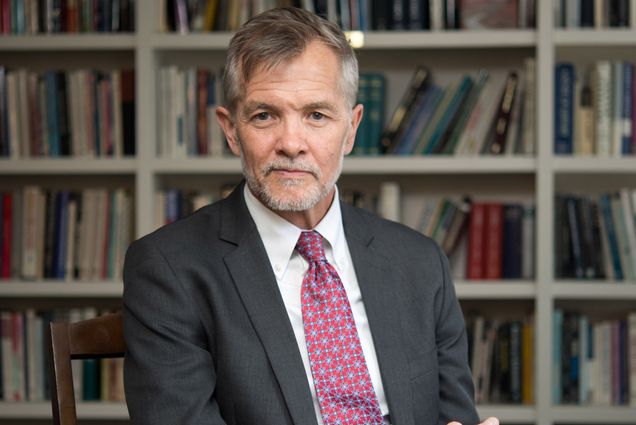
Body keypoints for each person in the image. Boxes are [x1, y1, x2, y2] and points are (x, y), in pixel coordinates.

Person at [123, 7, 499, 425]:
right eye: (265, 115)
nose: (291, 143)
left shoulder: (420, 262)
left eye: (316, 115)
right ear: (231, 130)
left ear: (352, 129)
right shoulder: (168, 269)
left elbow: (455, 416)